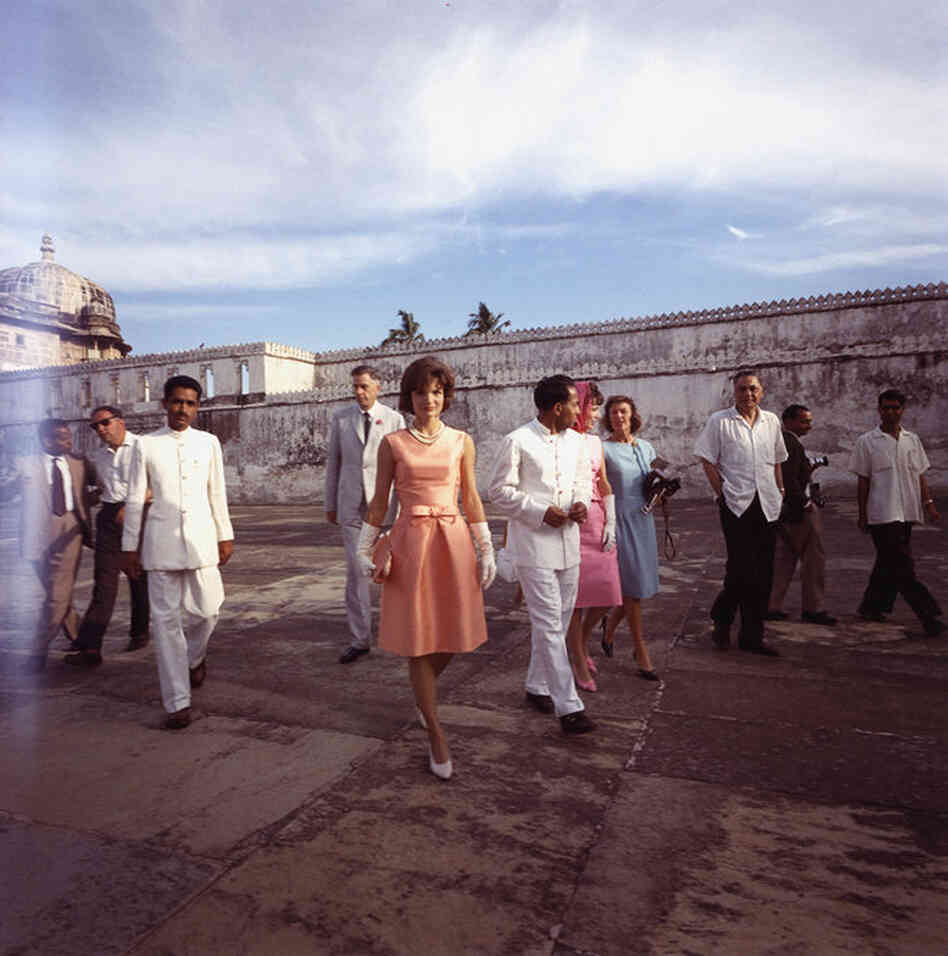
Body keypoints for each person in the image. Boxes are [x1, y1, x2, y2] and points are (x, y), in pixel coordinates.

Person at [356, 356, 494, 780]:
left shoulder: (461, 441)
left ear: (445, 396)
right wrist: (364, 547)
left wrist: (486, 545)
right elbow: (381, 499)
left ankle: (423, 694)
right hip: (411, 541)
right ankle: (435, 730)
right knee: (418, 639)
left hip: (453, 541)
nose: (429, 400)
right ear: (409, 396)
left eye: (436, 392)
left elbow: (469, 496)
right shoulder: (393, 443)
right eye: (421, 392)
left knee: (454, 634)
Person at [121, 376, 234, 729]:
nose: (182, 409)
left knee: (209, 611)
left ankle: (195, 657)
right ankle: (177, 702)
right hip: (160, 545)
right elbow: (136, 497)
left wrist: (224, 534)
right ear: (164, 404)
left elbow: (218, 492)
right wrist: (129, 546)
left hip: (202, 541)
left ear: (197, 407)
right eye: (176, 402)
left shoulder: (208, 443)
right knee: (166, 624)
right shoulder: (146, 445)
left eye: (189, 403)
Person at [488, 374, 596, 735]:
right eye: (574, 405)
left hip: (569, 543)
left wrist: (580, 502)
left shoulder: (578, 442)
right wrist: (538, 510)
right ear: (557, 407)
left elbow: (584, 480)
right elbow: (498, 491)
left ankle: (537, 685)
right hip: (533, 546)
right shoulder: (517, 441)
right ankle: (569, 707)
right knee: (550, 623)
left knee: (560, 620)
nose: (578, 412)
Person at [695, 370, 788, 656]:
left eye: (753, 389)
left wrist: (780, 491)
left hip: (768, 504)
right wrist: (721, 491)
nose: (748, 394)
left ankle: (752, 636)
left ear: (762, 391)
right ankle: (722, 622)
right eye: (742, 389)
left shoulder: (771, 421)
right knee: (739, 570)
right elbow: (706, 458)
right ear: (733, 393)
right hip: (736, 503)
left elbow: (777, 460)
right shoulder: (720, 421)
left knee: (764, 572)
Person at [325, 364, 405, 664]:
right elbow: (334, 461)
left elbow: (401, 466)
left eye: (364, 387)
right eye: (355, 387)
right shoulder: (341, 419)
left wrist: (402, 507)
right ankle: (360, 638)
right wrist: (329, 504)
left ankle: (397, 634)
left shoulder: (394, 419)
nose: (359, 392)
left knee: (391, 571)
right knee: (356, 573)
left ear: (378, 387)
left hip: (384, 505)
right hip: (351, 505)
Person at [850, 389, 943, 636]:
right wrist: (862, 515)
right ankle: (928, 615)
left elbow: (920, 474)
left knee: (887, 562)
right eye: (886, 407)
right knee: (902, 566)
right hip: (881, 513)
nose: (890, 412)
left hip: (907, 512)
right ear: (879, 410)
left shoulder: (912, 440)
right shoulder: (867, 442)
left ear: (903, 410)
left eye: (895, 408)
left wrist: (929, 503)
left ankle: (871, 606)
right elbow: (863, 481)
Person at [65, 406, 150, 668]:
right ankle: (91, 647)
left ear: (120, 422)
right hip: (109, 519)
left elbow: (157, 483)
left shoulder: (144, 446)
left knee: (138, 577)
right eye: (95, 426)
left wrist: (132, 505)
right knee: (104, 583)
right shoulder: (97, 457)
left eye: (105, 423)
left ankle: (139, 631)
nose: (100, 429)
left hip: (141, 513)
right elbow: (98, 489)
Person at [19, 418, 94, 671]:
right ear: (46, 440)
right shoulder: (25, 464)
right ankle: (81, 640)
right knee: (57, 594)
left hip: (70, 528)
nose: (69, 441)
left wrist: (85, 503)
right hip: (36, 534)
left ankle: (37, 651)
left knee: (57, 593)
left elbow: (105, 485)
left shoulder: (80, 463)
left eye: (69, 436)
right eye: (62, 437)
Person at [563, 382, 620, 692]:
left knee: (607, 592)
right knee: (574, 597)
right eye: (593, 406)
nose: (597, 414)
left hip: (597, 519)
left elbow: (605, 482)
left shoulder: (596, 442)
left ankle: (582, 642)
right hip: (572, 520)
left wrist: (611, 521)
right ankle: (577, 657)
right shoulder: (561, 439)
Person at [600, 395, 660, 680]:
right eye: (613, 412)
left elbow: (655, 480)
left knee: (637, 586)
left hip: (644, 518)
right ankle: (640, 649)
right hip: (620, 519)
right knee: (632, 588)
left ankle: (610, 628)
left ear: (632, 414)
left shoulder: (646, 447)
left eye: (623, 411)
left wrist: (661, 493)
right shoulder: (603, 449)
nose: (618, 417)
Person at [766, 404, 836, 626]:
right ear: (788, 421)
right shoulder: (789, 443)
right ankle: (814, 608)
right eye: (804, 421)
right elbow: (787, 478)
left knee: (784, 559)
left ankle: (772, 605)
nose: (809, 425)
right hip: (798, 511)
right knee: (813, 559)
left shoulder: (783, 442)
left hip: (784, 512)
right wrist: (804, 503)